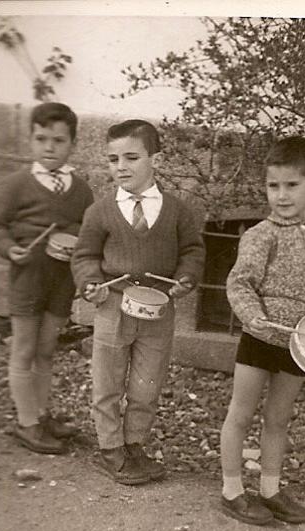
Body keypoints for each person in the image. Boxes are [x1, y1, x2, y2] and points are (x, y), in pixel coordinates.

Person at [220, 135, 305, 525]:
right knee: (240, 414)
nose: (281, 196)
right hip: (260, 338)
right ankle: (232, 491)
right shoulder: (261, 235)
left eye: (291, 185)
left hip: (300, 343)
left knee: (278, 418)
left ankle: (270, 490)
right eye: (273, 186)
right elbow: (239, 284)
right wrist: (252, 315)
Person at [71, 119, 204, 485]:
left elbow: (192, 251)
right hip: (113, 307)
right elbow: (84, 256)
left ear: (155, 160)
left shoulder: (177, 210)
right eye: (113, 159)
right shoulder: (100, 211)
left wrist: (186, 278)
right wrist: (91, 283)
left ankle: (134, 444)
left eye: (131, 158)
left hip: (159, 308)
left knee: (147, 383)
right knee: (108, 381)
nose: (121, 167)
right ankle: (110, 448)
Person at [0, 102, 94, 455]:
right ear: (31, 140)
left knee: (46, 350)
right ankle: (26, 423)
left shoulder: (81, 189)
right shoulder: (18, 184)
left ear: (72, 144)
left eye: (58, 140)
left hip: (61, 282)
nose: (49, 147)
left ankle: (41, 414)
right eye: (41, 139)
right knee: (24, 349)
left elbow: (89, 229)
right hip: (28, 278)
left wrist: (77, 238)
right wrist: (9, 249)